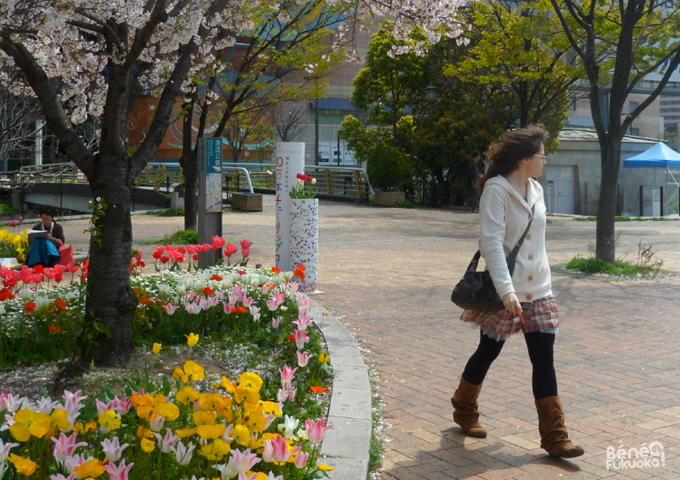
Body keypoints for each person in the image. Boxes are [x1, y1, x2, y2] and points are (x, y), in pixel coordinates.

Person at [451, 125, 584, 458]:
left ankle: (555, 437)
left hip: (539, 290)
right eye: (541, 155)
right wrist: (506, 290)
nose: (545, 160)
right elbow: (491, 243)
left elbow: (537, 242)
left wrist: (545, 282)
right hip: (506, 292)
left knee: (544, 361)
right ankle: (464, 407)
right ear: (525, 158)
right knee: (487, 352)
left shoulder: (537, 190)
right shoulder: (496, 190)